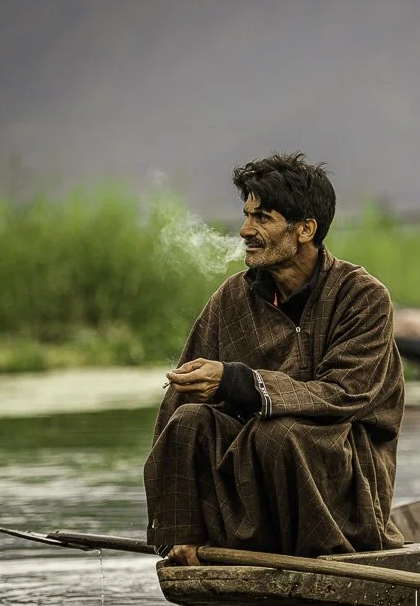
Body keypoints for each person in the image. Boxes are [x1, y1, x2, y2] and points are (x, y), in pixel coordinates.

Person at [143, 151, 405, 566]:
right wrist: (179, 525)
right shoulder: (231, 298)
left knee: (277, 434)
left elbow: (345, 394)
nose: (245, 229)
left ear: (305, 229)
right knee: (189, 419)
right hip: (250, 498)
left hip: (343, 487)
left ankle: (313, 555)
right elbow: (177, 407)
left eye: (262, 218)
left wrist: (237, 382)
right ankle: (210, 546)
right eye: (246, 215)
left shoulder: (362, 296)